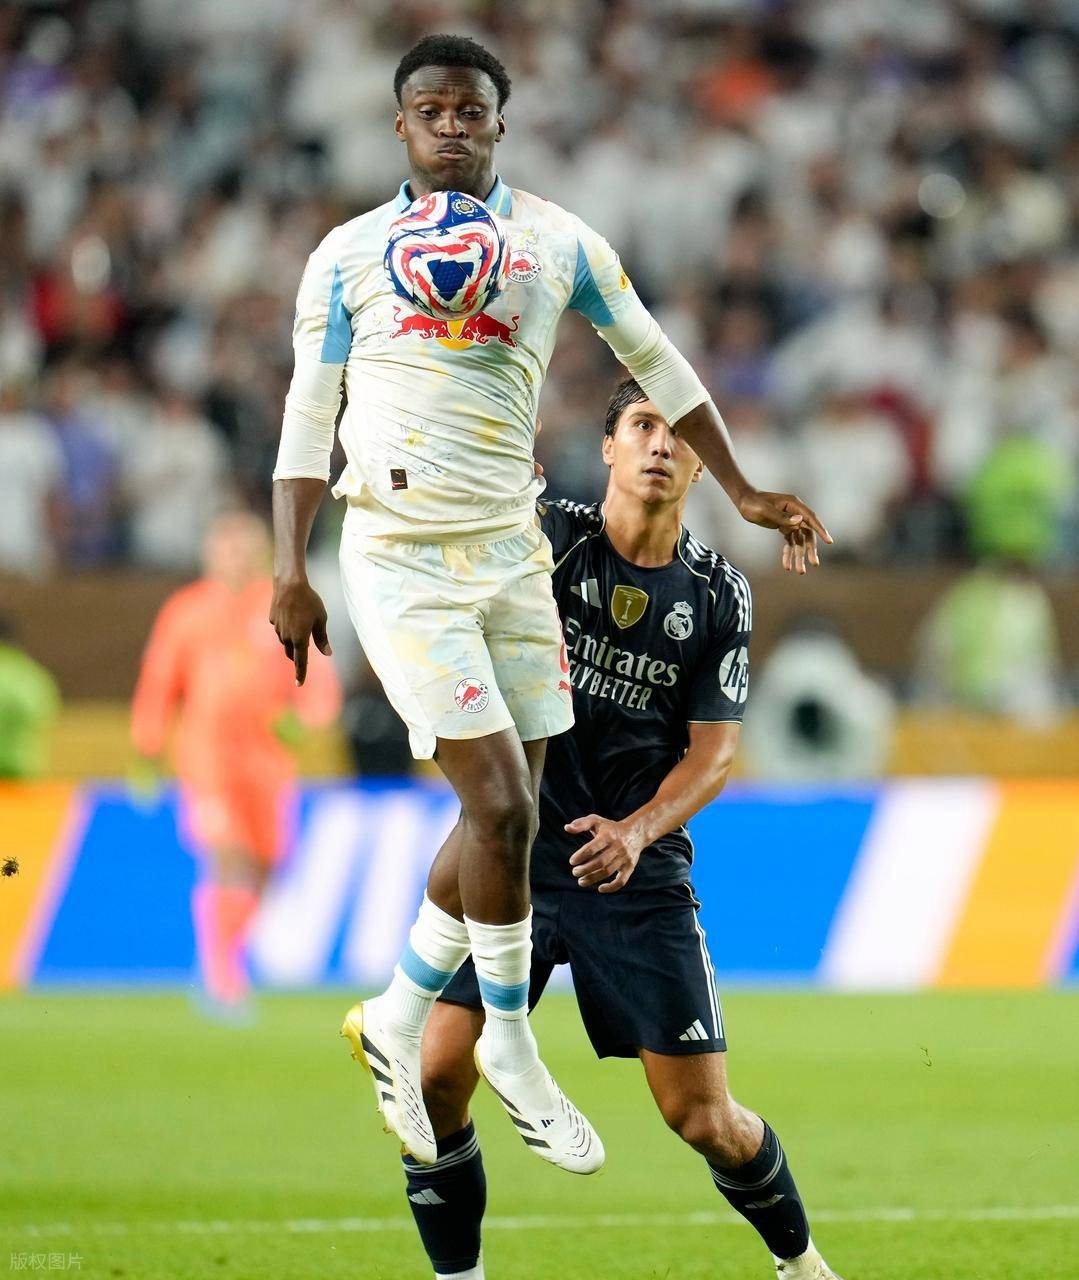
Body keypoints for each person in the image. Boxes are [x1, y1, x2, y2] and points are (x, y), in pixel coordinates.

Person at [269, 33, 829, 1172]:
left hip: (510, 547)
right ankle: (510, 1041)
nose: (450, 126)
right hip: (401, 550)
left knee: (513, 807)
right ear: (400, 125)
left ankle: (396, 1011)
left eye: (469, 110)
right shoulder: (346, 255)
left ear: (498, 122)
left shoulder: (558, 242)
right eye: (430, 110)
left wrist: (742, 490)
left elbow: (659, 364)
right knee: (495, 797)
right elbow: (307, 414)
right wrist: (290, 566)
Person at [406, 379, 843, 1280]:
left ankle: (801, 1265)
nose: (660, 445)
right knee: (435, 1073)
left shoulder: (717, 594)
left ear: (700, 463)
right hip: (516, 857)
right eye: (642, 426)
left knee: (702, 1118)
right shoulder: (545, 539)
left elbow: (714, 754)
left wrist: (638, 833)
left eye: (678, 432)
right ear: (607, 447)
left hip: (634, 872)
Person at [131, 509, 340, 1013]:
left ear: (263, 555)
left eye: (246, 550)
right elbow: (160, 680)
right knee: (226, 854)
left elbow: (316, 678)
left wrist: (309, 718)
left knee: (270, 864)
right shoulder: (186, 611)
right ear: (210, 555)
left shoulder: (281, 608)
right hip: (208, 757)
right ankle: (220, 974)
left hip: (267, 762)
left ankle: (226, 951)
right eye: (228, 549)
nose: (237, 559)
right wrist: (147, 744)